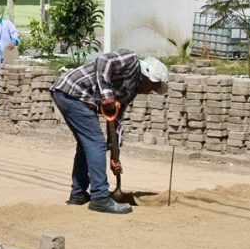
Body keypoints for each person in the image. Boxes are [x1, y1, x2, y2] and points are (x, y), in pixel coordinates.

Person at [50, 51, 169, 215]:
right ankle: (100, 198)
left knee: (87, 145)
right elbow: (104, 61)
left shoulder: (130, 91)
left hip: (72, 95)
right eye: (153, 88)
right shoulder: (131, 60)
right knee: (96, 143)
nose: (150, 92)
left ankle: (78, 194)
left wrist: (115, 155)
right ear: (148, 77)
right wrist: (106, 94)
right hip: (73, 90)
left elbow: (116, 119)